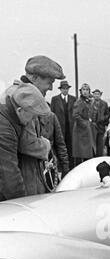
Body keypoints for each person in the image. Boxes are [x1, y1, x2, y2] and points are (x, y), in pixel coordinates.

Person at [1, 55, 65, 195]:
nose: (51, 87)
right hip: (25, 175)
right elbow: (28, 143)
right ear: (35, 78)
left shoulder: (21, 93)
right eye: (49, 82)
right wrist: (47, 144)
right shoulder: (23, 100)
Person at [0, 83, 50, 201]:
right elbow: (8, 174)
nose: (32, 121)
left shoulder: (9, 117)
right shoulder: (4, 130)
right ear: (20, 110)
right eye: (32, 116)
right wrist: (22, 206)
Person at [50, 80, 76, 169]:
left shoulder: (73, 99)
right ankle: (61, 166)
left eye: (67, 88)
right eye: (63, 88)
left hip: (70, 128)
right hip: (60, 127)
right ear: (60, 89)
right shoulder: (55, 99)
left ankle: (71, 166)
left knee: (70, 147)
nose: (65, 90)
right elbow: (52, 113)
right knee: (60, 146)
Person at [72, 83, 95, 165]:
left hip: (87, 129)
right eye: (83, 90)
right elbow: (75, 115)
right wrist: (85, 123)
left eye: (87, 90)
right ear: (81, 91)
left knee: (87, 153)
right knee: (81, 152)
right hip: (80, 130)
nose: (85, 92)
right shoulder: (79, 101)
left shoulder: (88, 101)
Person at [90, 89, 110, 156]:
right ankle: (92, 156)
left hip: (101, 126)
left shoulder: (104, 103)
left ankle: (99, 156)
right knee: (92, 143)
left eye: (98, 94)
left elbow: (107, 114)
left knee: (100, 143)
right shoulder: (90, 103)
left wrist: (103, 119)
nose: (96, 95)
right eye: (95, 94)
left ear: (100, 95)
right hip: (92, 126)